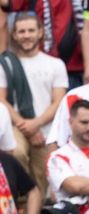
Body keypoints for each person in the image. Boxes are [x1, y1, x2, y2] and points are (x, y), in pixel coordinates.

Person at [1, 14, 70, 196]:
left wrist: (36, 124)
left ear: (40, 33)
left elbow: (59, 102)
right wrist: (26, 126)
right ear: (14, 35)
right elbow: (1, 100)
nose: (26, 35)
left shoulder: (56, 64)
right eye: (21, 31)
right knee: (16, 153)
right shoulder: (6, 63)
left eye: (31, 30)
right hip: (16, 126)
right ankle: (19, 203)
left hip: (47, 129)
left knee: (43, 175)